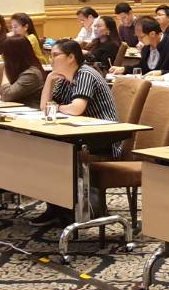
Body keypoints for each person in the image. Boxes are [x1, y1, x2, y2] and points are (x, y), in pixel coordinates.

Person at [32, 39, 121, 228]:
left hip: (104, 139)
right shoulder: (63, 77)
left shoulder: (85, 73)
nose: (51, 59)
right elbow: (44, 107)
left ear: (71, 57)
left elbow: (76, 108)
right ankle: (57, 208)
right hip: (79, 135)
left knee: (57, 152)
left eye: (55, 55)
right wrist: (49, 80)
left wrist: (56, 107)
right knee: (45, 149)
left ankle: (79, 209)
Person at [0, 35, 45, 104]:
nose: (2, 56)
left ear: (14, 55)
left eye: (4, 53)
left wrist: (5, 69)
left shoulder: (31, 74)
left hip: (30, 109)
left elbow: (7, 95)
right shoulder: (20, 69)